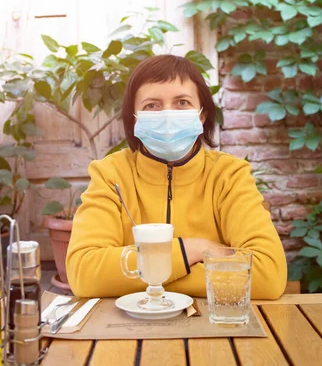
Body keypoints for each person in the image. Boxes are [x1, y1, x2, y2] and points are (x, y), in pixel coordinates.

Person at [65, 54, 287, 299]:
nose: (168, 115)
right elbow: (84, 274)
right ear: (134, 118)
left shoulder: (229, 175)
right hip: (131, 329)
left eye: (182, 103)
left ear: (201, 114)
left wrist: (148, 279)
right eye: (152, 105)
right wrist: (193, 250)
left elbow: (268, 275)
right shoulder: (110, 174)